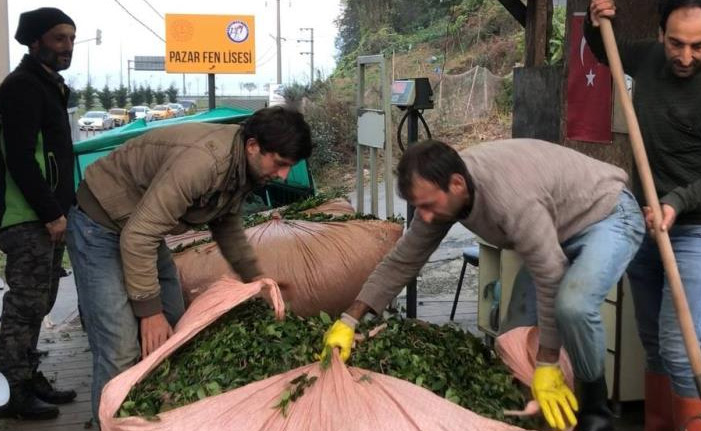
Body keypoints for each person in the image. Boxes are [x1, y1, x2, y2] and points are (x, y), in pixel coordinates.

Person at [321, 139, 645, 431]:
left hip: (607, 214)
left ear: (457, 184)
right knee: (514, 339)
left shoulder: (511, 198)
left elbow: (550, 274)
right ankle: (538, 420)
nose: (426, 217)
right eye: (419, 206)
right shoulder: (444, 193)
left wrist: (547, 363)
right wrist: (349, 320)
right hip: (554, 232)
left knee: (572, 307)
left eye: (429, 205)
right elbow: (403, 259)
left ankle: (595, 411)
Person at [65, 106, 312, 424]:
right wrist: (148, 312)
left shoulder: (243, 167)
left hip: (139, 228)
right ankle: (109, 423)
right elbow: (137, 237)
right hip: (99, 224)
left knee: (176, 329)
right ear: (253, 146)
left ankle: (150, 418)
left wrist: (258, 280)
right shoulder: (205, 163)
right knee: (120, 349)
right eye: (280, 164)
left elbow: (226, 226)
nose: (283, 175)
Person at [586, 1, 701, 429]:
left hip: (697, 231)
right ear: (660, 35)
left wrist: (675, 202)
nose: (686, 56)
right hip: (646, 224)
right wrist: (594, 19)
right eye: (676, 43)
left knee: (680, 348)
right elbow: (604, 50)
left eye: (699, 46)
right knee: (653, 345)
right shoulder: (648, 57)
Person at [0, 7, 78, 420]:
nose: (67, 47)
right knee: (25, 304)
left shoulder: (50, 86)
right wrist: (50, 213)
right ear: (36, 42)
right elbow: (19, 157)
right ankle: (12, 392)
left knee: (41, 300)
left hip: (45, 215)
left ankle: (27, 378)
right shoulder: (23, 86)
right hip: (25, 215)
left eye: (71, 39)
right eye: (59, 38)